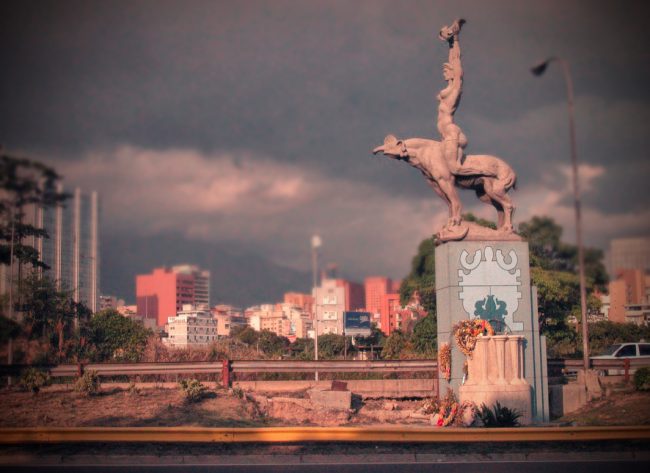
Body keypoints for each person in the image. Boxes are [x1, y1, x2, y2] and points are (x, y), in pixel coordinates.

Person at [437, 18, 467, 174]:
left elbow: (456, 61)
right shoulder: (449, 87)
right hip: (444, 133)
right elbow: (451, 61)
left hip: (450, 131)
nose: (443, 72)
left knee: (454, 170)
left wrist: (455, 39)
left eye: (446, 70)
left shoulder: (455, 88)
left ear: (453, 73)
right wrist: (449, 42)